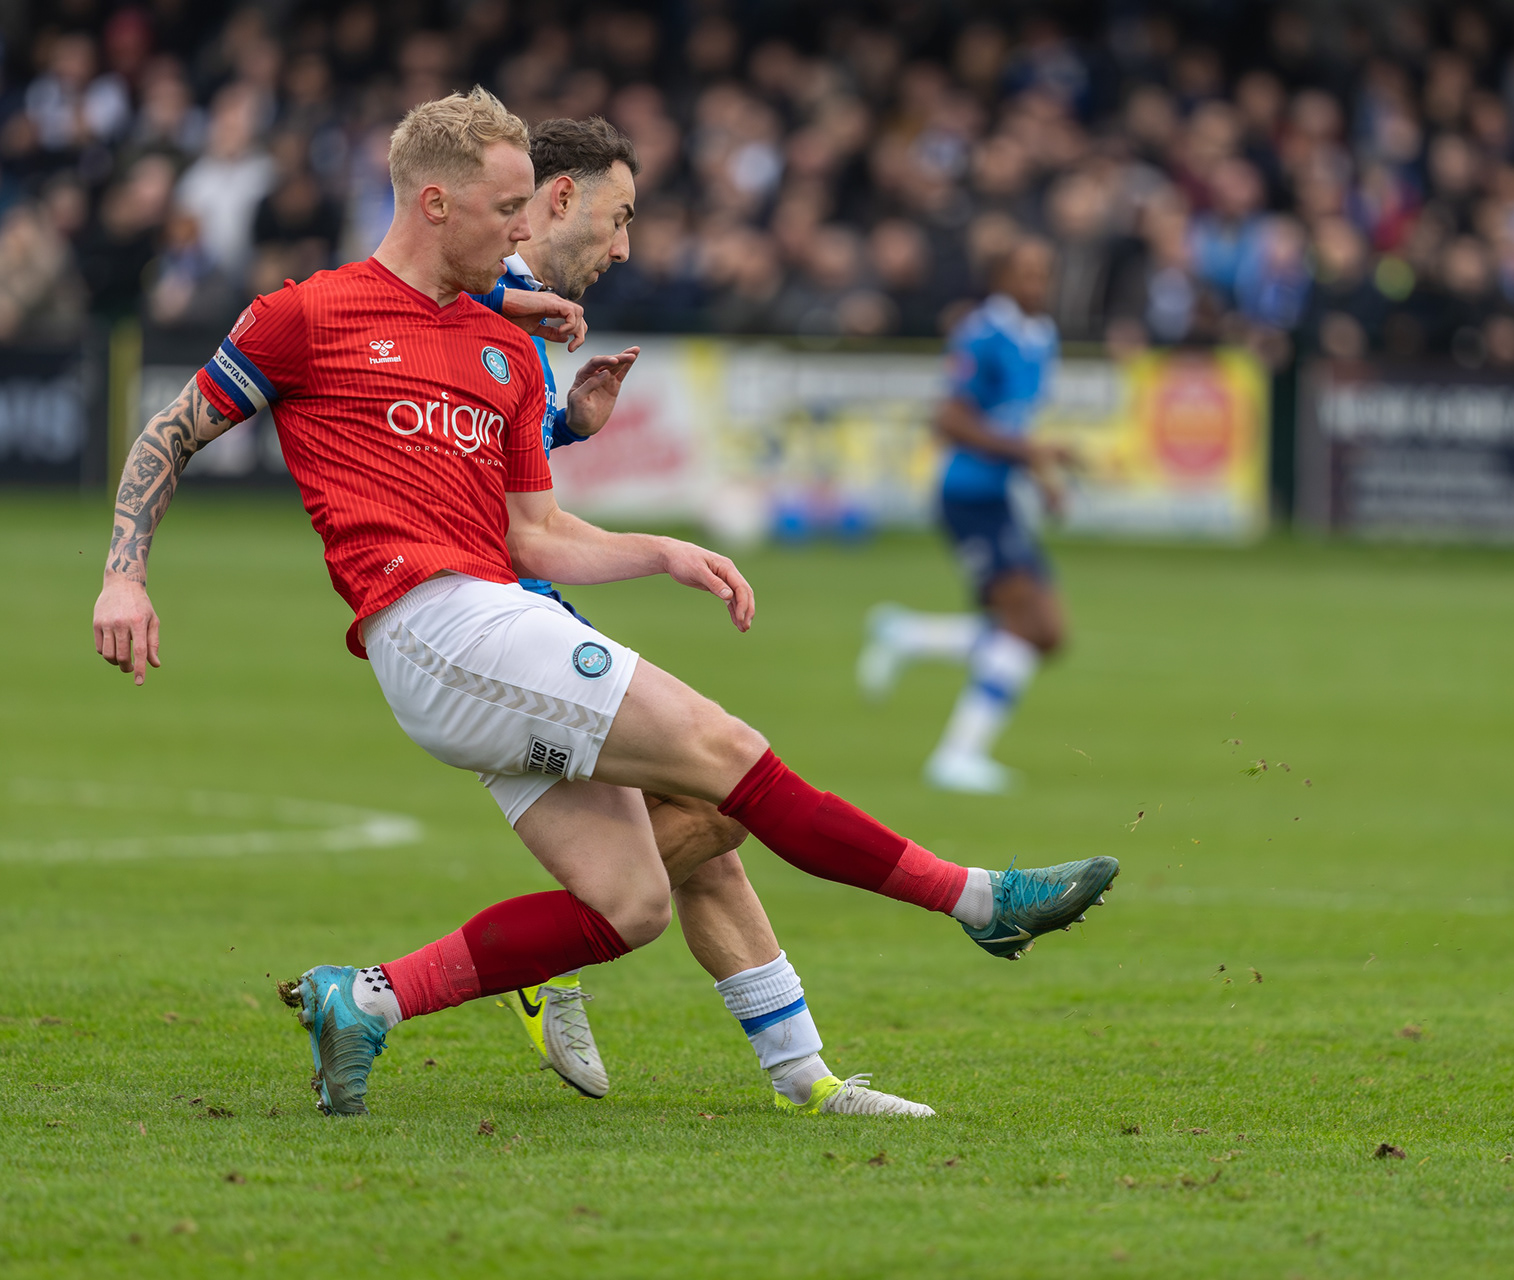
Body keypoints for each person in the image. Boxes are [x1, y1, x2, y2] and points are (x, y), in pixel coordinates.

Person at [91, 89, 1119, 1118]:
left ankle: (365, 999)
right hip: (436, 621)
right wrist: (124, 572)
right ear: (436, 202)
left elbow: (537, 537)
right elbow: (167, 434)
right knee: (730, 753)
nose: (519, 232)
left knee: (630, 904)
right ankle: (979, 899)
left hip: (490, 624)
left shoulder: (498, 350)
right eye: (506, 209)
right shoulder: (307, 314)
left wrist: (665, 550)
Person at [472, 115, 936, 1115]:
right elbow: (449, 300)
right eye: (620, 216)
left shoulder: (521, 319)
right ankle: (538, 954)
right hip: (493, 631)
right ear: (562, 198)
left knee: (712, 819)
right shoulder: (486, 287)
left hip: (520, 613)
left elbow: (493, 472)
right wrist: (525, 298)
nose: (626, 245)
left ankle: (804, 1078)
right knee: (728, 790)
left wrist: (565, 424)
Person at [857, 238, 1071, 794]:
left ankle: (909, 636)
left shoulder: (1042, 336)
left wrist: (1043, 478)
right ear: (1002, 278)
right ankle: (957, 755)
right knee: (1030, 628)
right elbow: (949, 419)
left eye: (1043, 272)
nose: (1037, 283)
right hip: (969, 496)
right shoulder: (982, 333)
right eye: (1026, 272)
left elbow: (1017, 422)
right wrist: (1029, 457)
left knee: (1046, 633)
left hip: (1002, 497)